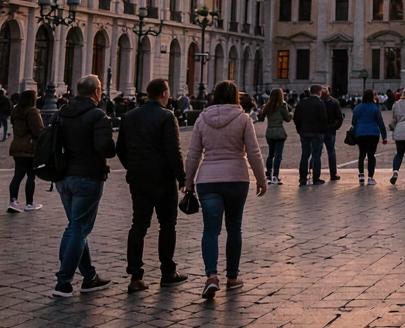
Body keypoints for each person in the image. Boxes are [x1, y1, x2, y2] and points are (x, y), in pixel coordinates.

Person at [186, 81, 266, 300]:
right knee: (234, 228)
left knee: (210, 230)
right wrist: (261, 179)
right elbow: (254, 152)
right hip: (236, 177)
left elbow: (193, 153)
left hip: (208, 179)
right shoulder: (243, 119)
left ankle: (211, 276)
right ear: (235, 97)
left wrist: (188, 181)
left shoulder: (202, 119)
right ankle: (232, 277)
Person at [117, 79, 188, 293]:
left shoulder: (130, 116)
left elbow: (120, 148)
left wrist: (133, 166)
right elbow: (173, 151)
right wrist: (183, 177)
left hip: (138, 179)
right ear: (164, 93)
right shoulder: (167, 117)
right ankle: (168, 272)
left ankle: (136, 275)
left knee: (139, 225)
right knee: (167, 226)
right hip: (164, 180)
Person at [51, 75, 115, 298]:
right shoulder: (98, 115)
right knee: (77, 229)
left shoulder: (62, 112)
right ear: (97, 91)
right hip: (88, 177)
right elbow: (104, 147)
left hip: (63, 178)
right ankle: (63, 282)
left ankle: (90, 278)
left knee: (75, 226)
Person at [7, 87, 44, 213]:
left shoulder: (16, 111)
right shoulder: (32, 112)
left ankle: (13, 201)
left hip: (16, 145)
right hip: (29, 147)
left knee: (18, 175)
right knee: (31, 175)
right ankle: (29, 203)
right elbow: (38, 130)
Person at [293, 84, 329, 186]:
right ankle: (316, 178)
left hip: (304, 132)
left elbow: (296, 118)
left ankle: (303, 178)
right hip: (317, 133)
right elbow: (324, 119)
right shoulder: (320, 103)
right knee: (316, 156)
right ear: (319, 92)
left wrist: (300, 129)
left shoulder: (302, 103)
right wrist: (323, 130)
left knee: (304, 155)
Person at [352, 90, 388, 185]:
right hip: (373, 133)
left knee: (362, 154)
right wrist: (384, 136)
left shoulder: (357, 107)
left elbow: (353, 122)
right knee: (371, 155)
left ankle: (361, 174)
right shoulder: (374, 108)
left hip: (360, 133)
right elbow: (380, 122)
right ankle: (370, 177)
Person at [261, 88, 292, 185]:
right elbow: (287, 118)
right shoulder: (282, 106)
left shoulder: (267, 106)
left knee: (270, 154)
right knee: (278, 155)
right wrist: (290, 113)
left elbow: (261, 118)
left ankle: (268, 175)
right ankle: (275, 175)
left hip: (269, 131)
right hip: (279, 131)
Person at [320, 87, 344, 181]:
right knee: (331, 152)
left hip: (320, 130)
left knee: (316, 153)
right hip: (330, 131)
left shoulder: (318, 102)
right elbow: (339, 117)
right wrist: (334, 127)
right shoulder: (334, 102)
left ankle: (312, 173)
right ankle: (333, 174)